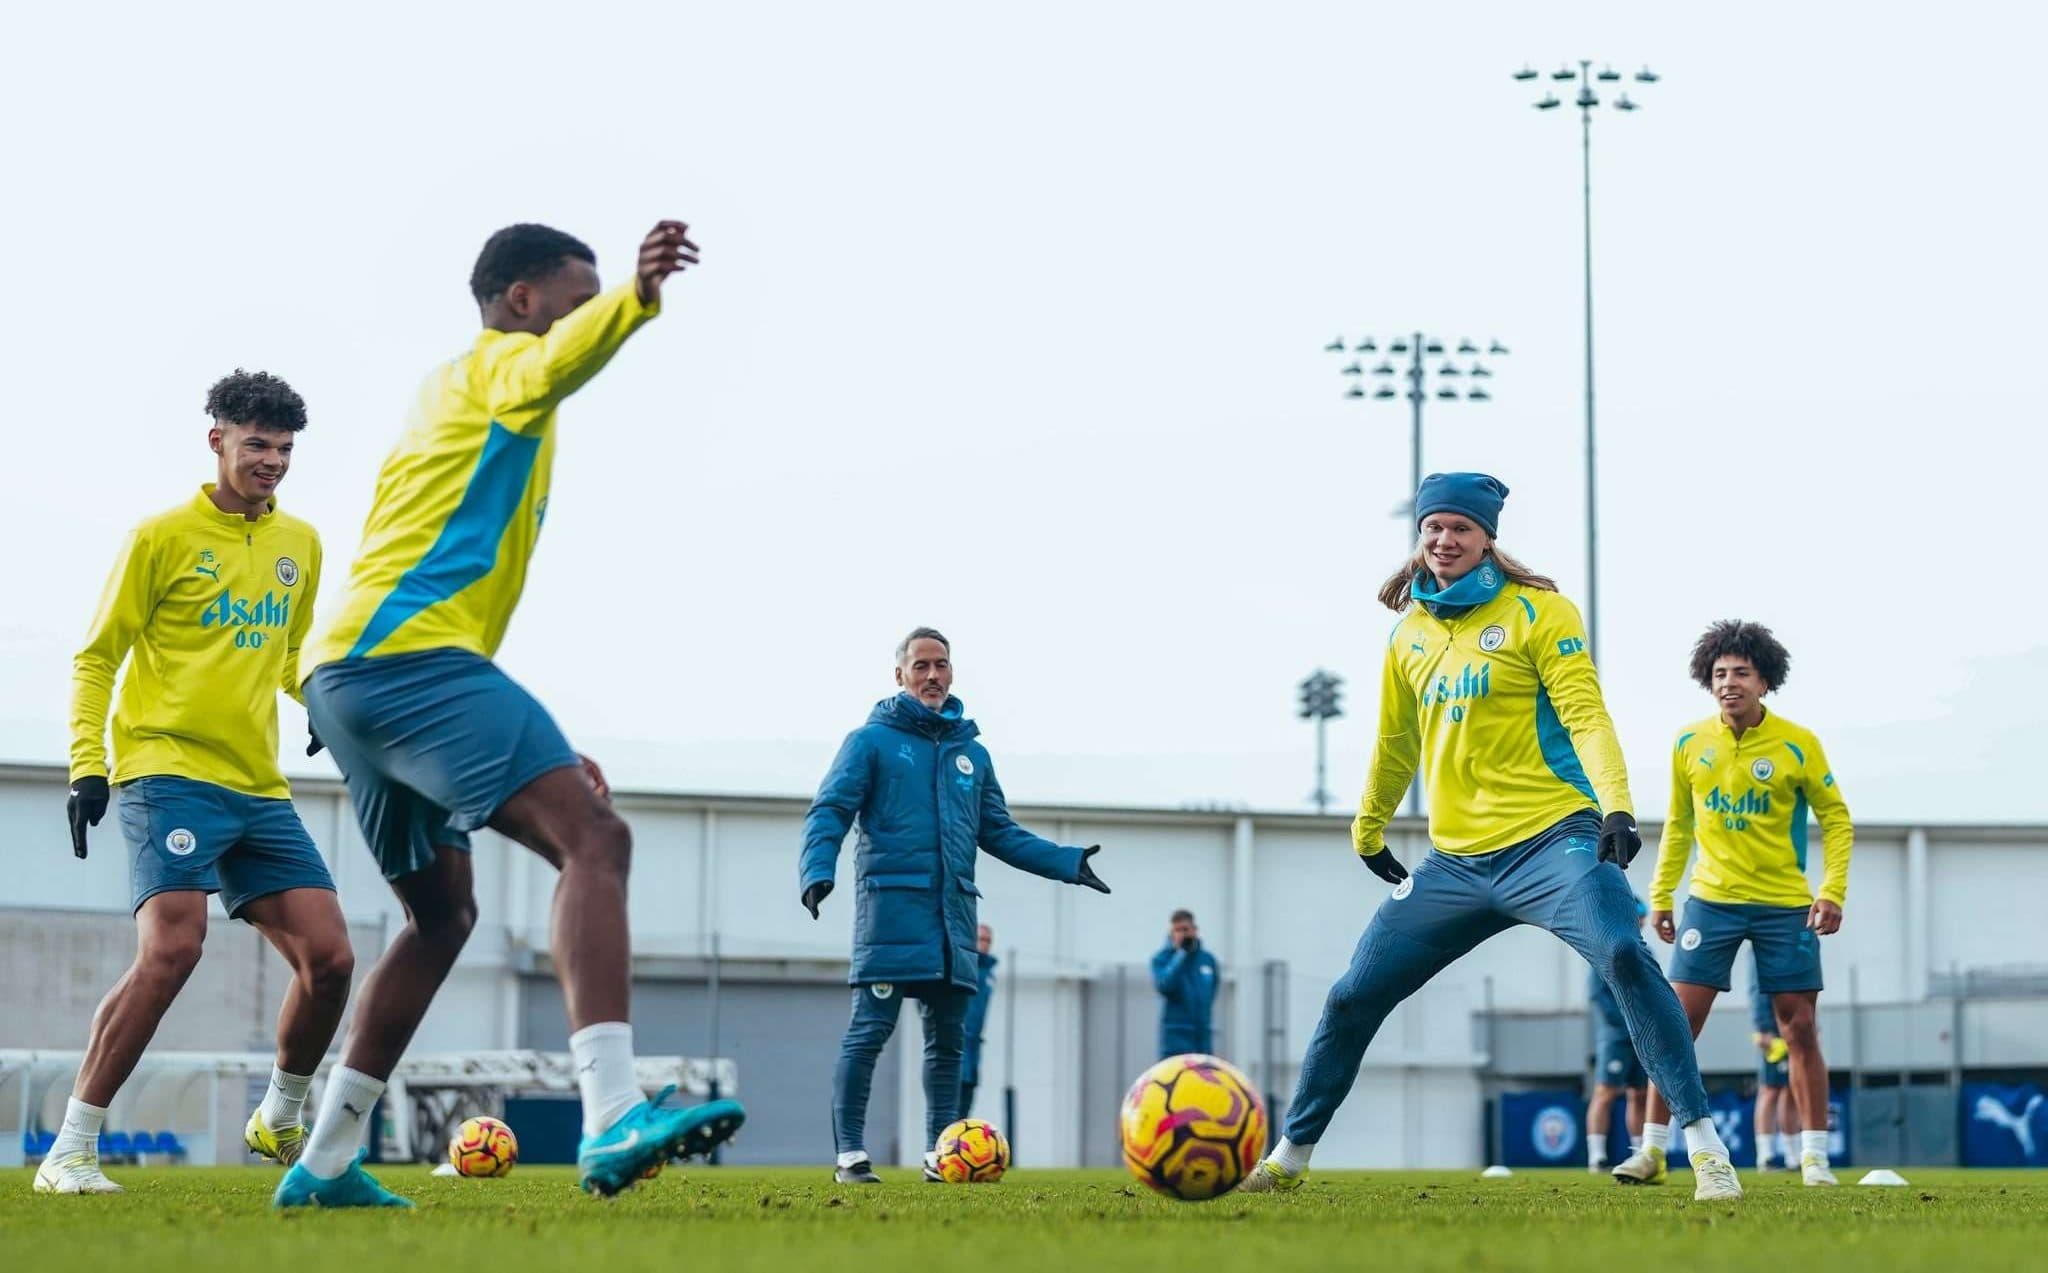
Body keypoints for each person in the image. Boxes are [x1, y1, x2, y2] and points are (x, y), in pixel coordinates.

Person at [277, 221, 743, 1208]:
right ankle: (613, 1112)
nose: (575, 322)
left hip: (359, 675)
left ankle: (320, 1164)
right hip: (405, 663)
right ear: (522, 301)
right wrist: (634, 295)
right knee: (594, 837)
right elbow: (555, 366)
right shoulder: (497, 370)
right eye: (570, 303)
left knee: (440, 917)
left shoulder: (454, 394)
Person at [1239, 473, 1743, 1201]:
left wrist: (1618, 808)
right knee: (1353, 995)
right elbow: (1394, 741)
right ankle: (1288, 1155)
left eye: (1460, 529)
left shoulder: (1541, 611)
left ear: (1487, 539)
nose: (1444, 540)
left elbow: (1587, 715)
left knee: (1627, 952)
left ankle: (1705, 1151)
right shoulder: (1408, 633)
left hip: (1554, 841)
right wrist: (1368, 826)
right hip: (1456, 864)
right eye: (1433, 528)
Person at [39, 372, 351, 1195]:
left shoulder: (302, 545)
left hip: (256, 784)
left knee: (332, 959)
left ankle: (278, 1115)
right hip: (164, 771)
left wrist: (316, 695)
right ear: (217, 439)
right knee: (175, 948)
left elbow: (286, 655)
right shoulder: (160, 537)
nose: (272, 461)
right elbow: (97, 657)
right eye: (257, 444)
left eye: (285, 449)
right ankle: (70, 1149)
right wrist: (87, 766)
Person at [801, 628, 1111, 1184]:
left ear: (952, 672)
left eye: (941, 665)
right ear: (899, 675)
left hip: (953, 919)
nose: (932, 676)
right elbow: (829, 810)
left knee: (948, 1045)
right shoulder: (869, 742)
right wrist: (816, 870)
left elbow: (1000, 832)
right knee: (869, 1032)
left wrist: (1066, 862)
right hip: (890, 912)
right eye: (920, 666)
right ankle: (850, 1153)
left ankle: (938, 1156)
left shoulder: (973, 755)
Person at [1612, 620, 1852, 1189]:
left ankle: (1814, 1160)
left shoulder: (1799, 743)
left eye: (1741, 673)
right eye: (1719, 674)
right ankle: (1651, 1152)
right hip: (1711, 903)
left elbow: (1836, 818)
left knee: (1800, 1029)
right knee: (1673, 1025)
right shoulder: (1689, 742)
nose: (1729, 683)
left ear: (1765, 681)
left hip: (1782, 905)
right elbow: (1679, 824)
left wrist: (1832, 890)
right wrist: (1663, 895)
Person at [1586, 898, 1651, 1173]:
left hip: (1642, 1035)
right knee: (1605, 1091)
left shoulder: (1645, 952)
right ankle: (1597, 1156)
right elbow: (1598, 996)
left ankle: (1640, 1154)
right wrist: (1627, 1022)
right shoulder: (1603, 949)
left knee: (1640, 1094)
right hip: (1616, 1036)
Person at [1151, 909, 1220, 1059]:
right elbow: (1164, 986)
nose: (1182, 934)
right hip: (1175, 1043)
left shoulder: (1208, 960)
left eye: (1185, 929)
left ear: (1195, 931)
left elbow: (1212, 991)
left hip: (1202, 1041)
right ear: (1171, 933)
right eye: (1177, 930)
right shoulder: (1162, 959)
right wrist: (1181, 955)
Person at [1750, 956, 1795, 1171]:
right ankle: (1765, 1156)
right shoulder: (1761, 943)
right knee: (1770, 1089)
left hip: (1793, 1025)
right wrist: (1762, 1027)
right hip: (1773, 1031)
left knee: (1791, 1090)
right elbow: (1756, 988)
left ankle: (1793, 1155)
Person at [959, 924, 999, 1116]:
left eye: (988, 940)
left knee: (966, 1103)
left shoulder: (988, 972)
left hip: (973, 1047)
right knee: (949, 1104)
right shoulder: (962, 966)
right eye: (980, 939)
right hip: (956, 1043)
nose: (984, 945)